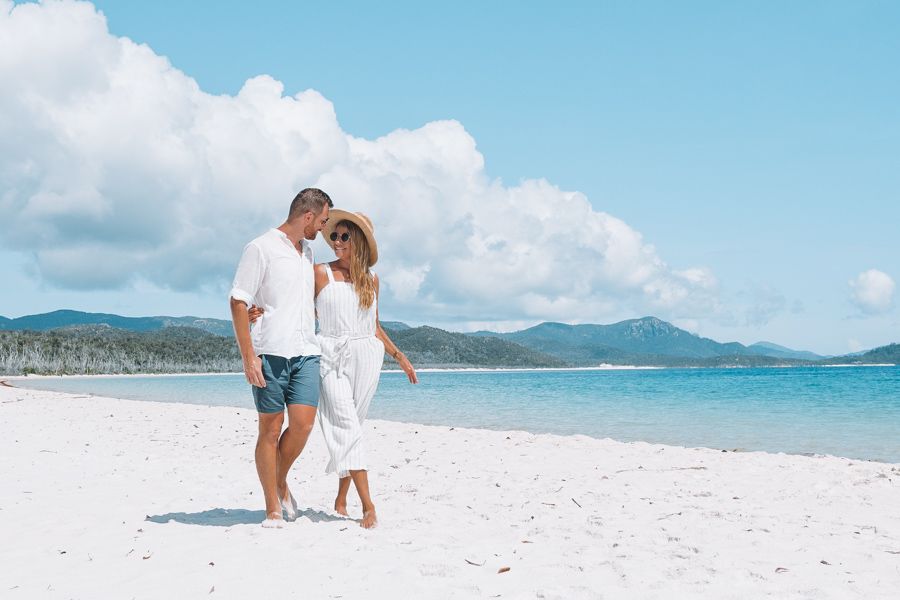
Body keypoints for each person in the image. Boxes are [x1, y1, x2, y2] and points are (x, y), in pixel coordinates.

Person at [250, 210, 417, 529]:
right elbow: (288, 300)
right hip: (330, 355)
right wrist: (258, 309)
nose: (337, 242)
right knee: (346, 427)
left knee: (354, 424)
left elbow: (375, 325)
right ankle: (368, 506)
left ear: (361, 243)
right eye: (334, 237)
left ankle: (336, 496)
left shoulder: (371, 280)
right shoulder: (319, 273)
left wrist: (400, 357)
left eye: (344, 237)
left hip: (368, 356)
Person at [229, 188, 332, 528]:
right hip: (270, 352)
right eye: (322, 220)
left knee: (302, 426)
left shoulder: (308, 252)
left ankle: (279, 479)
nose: (323, 228)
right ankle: (272, 506)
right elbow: (238, 301)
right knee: (270, 432)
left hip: (306, 351)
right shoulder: (260, 248)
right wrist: (248, 357)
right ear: (308, 216)